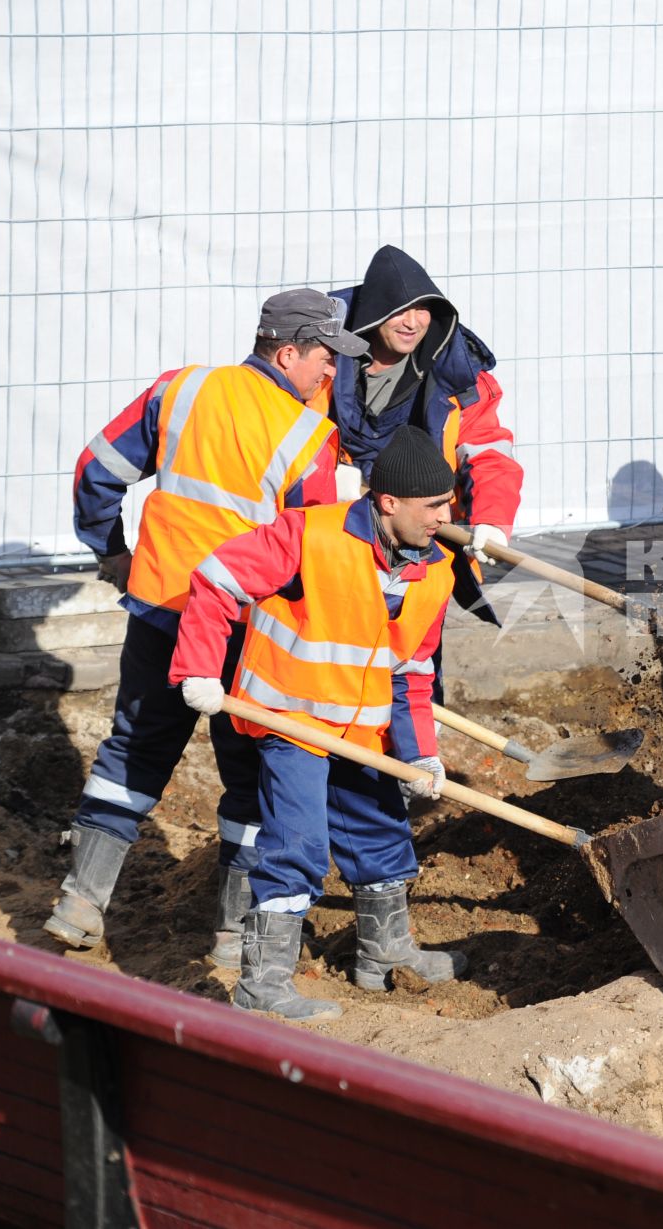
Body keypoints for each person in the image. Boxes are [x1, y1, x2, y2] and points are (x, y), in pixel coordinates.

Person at [48, 290, 361, 963]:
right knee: (250, 776)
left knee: (132, 750)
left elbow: (95, 470)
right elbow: (308, 549)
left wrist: (113, 551)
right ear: (288, 352)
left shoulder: (179, 390)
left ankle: (79, 900)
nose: (331, 373)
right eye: (325, 358)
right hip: (242, 631)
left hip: (161, 607)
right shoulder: (309, 439)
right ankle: (231, 936)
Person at [171, 427, 466, 1022]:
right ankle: (262, 984)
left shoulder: (435, 572)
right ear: (389, 502)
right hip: (291, 718)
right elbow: (216, 579)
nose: (446, 516)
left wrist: (421, 755)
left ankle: (384, 954)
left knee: (381, 830)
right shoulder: (309, 534)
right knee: (298, 844)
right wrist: (199, 668)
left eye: (448, 503)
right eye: (434, 505)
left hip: (361, 730)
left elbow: (411, 674)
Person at [326, 246, 523, 618]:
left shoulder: (460, 379)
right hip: (338, 534)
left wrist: (493, 522)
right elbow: (283, 432)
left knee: (414, 655)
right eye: (399, 310)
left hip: (422, 538)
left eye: (423, 310)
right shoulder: (326, 365)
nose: (412, 322)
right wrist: (323, 476)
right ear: (373, 313)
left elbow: (488, 454)